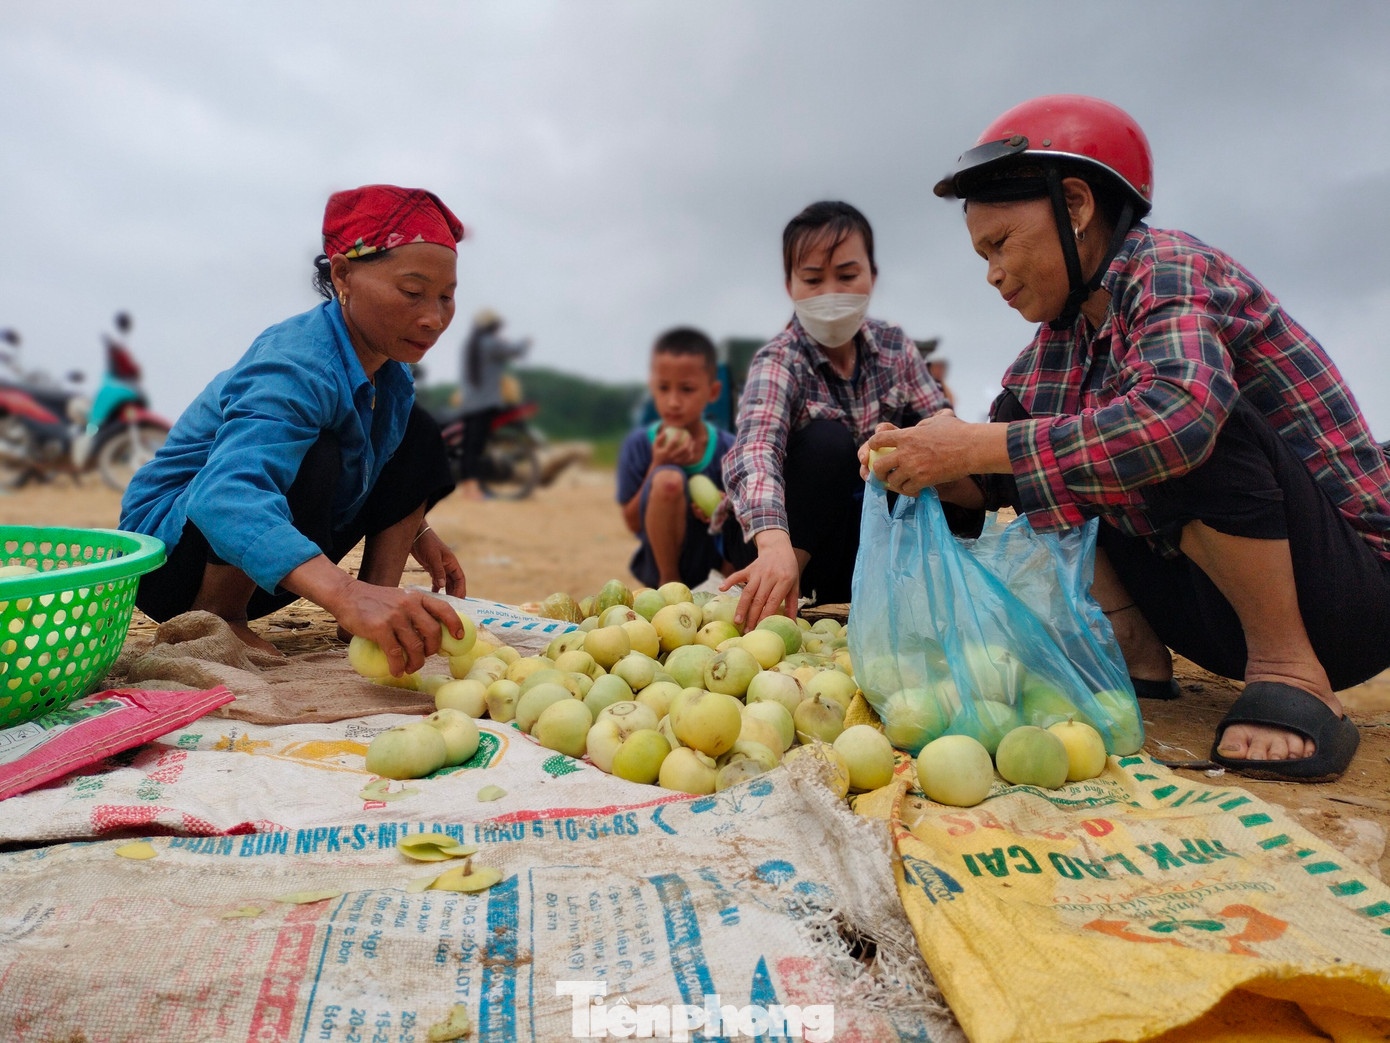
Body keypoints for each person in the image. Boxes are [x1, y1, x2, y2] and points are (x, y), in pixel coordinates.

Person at [867, 94, 1390, 780]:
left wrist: (976, 444)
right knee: (1043, 438)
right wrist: (917, 459)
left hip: (1348, 590)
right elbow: (1000, 468)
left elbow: (1182, 413)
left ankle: (1290, 668)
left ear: (1076, 206)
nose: (991, 273)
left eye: (999, 245)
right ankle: (1135, 650)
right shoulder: (1058, 343)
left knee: (1176, 417)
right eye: (980, 255)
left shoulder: (1169, 269)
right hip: (1210, 614)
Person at [120, 184, 470, 675]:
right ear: (344, 274)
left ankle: (377, 608)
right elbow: (226, 495)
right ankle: (222, 615)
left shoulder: (390, 370)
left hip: (275, 564)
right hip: (175, 563)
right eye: (412, 293)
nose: (433, 318)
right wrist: (343, 592)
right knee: (314, 448)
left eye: (446, 297)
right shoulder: (295, 364)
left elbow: (378, 457)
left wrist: (418, 528)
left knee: (417, 431)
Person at [721, 200, 951, 627]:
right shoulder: (779, 360)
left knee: (918, 455)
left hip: (854, 538)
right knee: (829, 443)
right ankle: (779, 593)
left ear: (872, 277)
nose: (831, 294)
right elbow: (755, 450)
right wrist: (774, 546)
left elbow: (941, 423)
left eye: (846, 276)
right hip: (771, 538)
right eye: (812, 279)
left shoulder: (895, 347)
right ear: (790, 285)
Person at [616, 327, 738, 589]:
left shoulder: (730, 448)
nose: (673, 401)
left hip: (718, 565)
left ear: (713, 392)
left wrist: (724, 505)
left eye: (686, 389)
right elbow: (632, 522)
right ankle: (669, 584)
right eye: (663, 388)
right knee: (667, 479)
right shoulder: (639, 445)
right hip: (661, 565)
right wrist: (657, 465)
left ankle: (728, 588)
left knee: (744, 502)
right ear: (652, 388)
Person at [458, 308, 529, 481]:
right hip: (485, 404)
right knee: (476, 448)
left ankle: (469, 484)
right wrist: (527, 341)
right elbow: (515, 350)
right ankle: (473, 488)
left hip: (469, 404)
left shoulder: (471, 344)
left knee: (469, 447)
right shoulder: (490, 343)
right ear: (492, 326)